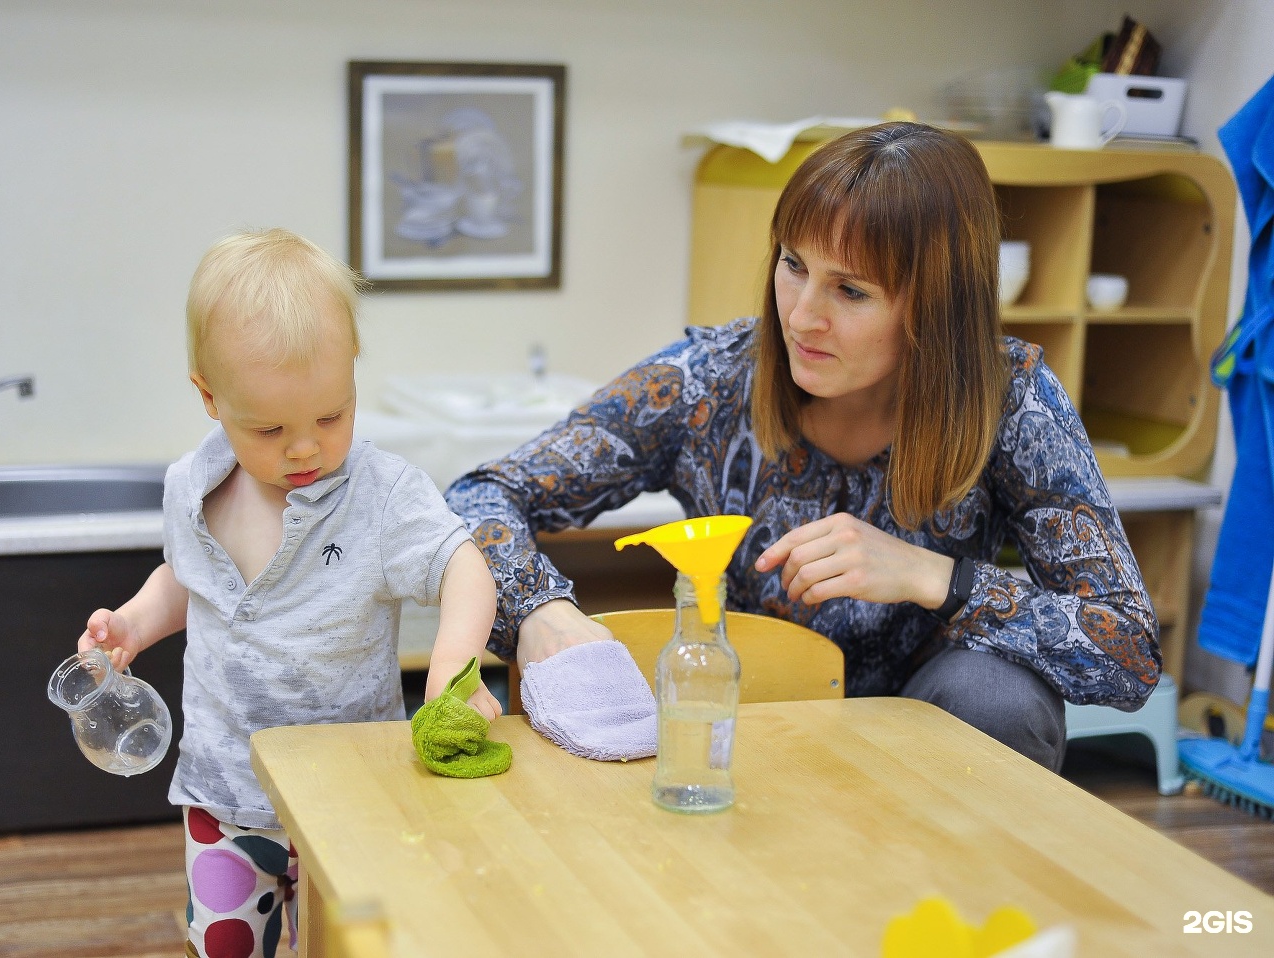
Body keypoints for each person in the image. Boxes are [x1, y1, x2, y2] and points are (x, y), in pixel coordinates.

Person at [446, 122, 1159, 772]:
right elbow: (477, 495)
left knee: (998, 695)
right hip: (740, 713)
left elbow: (1127, 652)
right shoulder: (706, 380)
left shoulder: (1014, 399)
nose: (802, 315)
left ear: (935, 305)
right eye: (793, 264)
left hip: (923, 744)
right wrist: (540, 609)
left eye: (850, 291)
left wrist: (933, 577)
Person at [77, 228, 499, 957]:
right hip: (223, 792)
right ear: (210, 398)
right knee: (229, 946)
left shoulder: (381, 495)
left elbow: (465, 566)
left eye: (331, 416)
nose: (305, 448)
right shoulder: (190, 487)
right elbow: (187, 579)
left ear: (353, 374)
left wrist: (451, 673)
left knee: (354, 946)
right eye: (270, 428)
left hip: (354, 792)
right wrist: (138, 623)